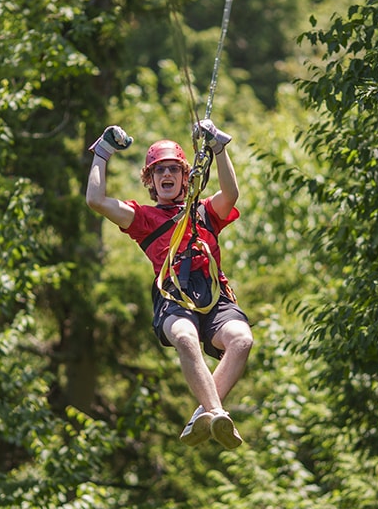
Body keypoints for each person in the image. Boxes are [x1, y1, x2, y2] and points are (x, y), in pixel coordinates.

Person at [85, 120, 254, 449]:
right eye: (159, 171)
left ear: (184, 177)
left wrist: (218, 147)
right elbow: (96, 200)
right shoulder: (144, 219)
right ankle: (216, 411)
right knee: (185, 337)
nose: (166, 176)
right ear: (150, 179)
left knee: (242, 340)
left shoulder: (203, 213)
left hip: (214, 296)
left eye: (173, 170)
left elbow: (230, 194)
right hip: (174, 298)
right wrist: (102, 153)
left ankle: (203, 414)